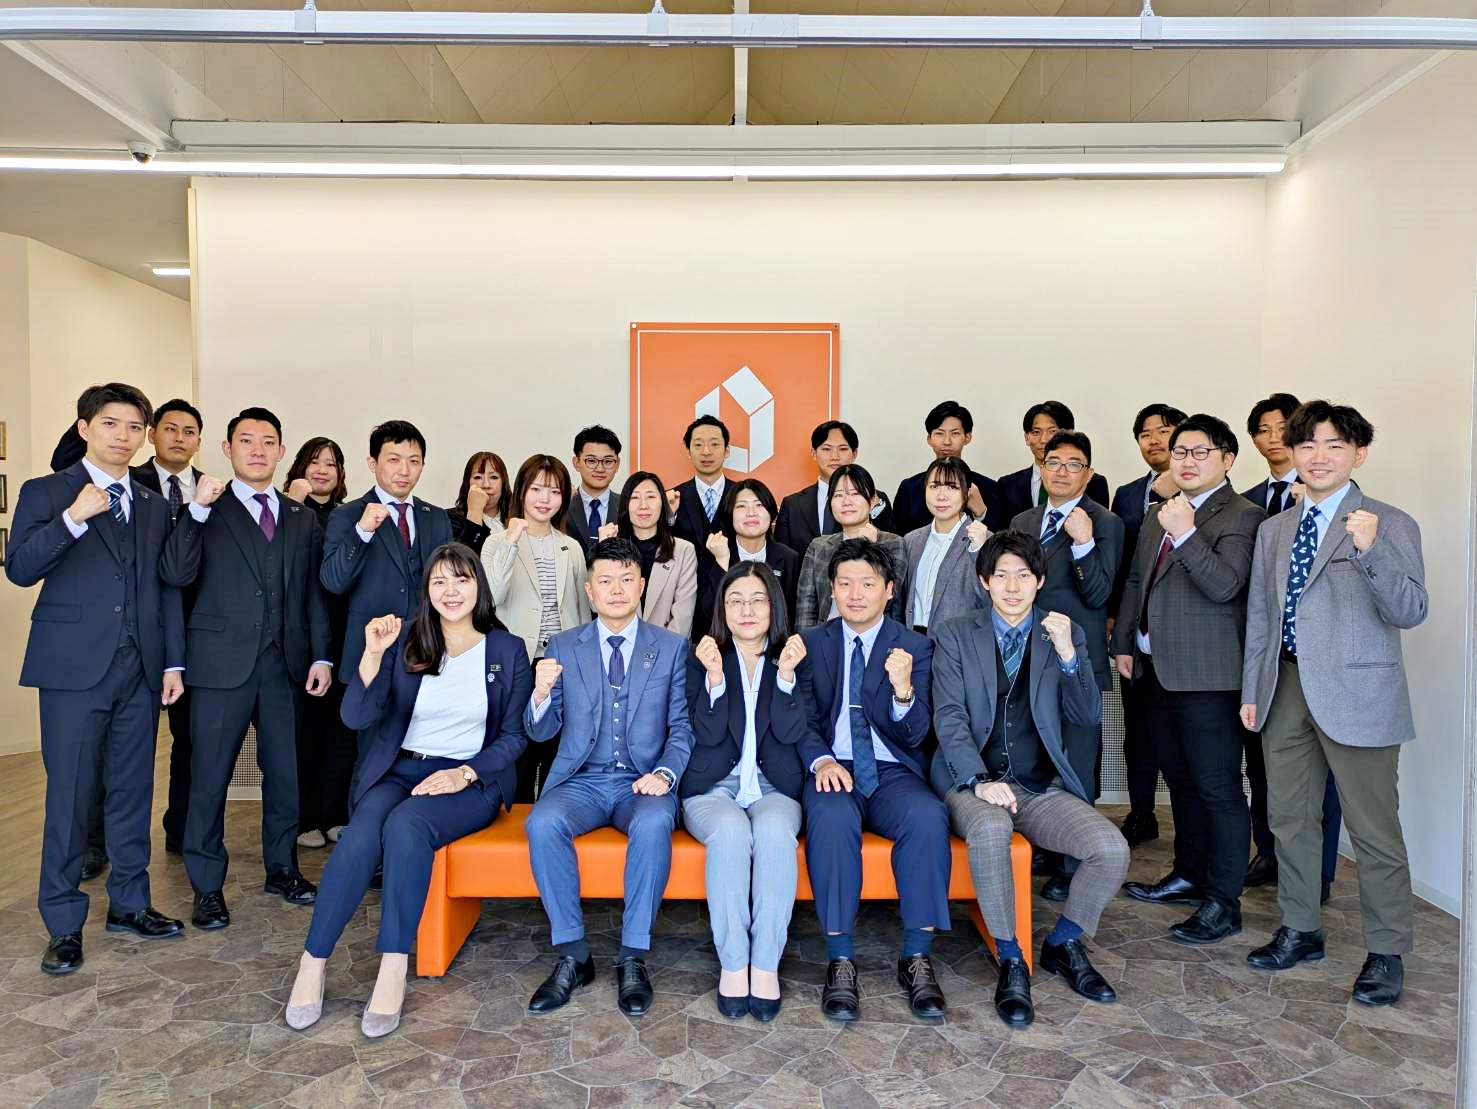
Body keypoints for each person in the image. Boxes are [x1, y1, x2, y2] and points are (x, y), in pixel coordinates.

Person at [284, 544, 531, 1036]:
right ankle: (313, 961)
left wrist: (465, 773)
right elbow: (356, 716)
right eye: (439, 582)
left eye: (461, 580)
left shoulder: (507, 650)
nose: (450, 591)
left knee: (405, 828)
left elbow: (515, 736)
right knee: (359, 836)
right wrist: (373, 654)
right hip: (401, 771)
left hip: (469, 781)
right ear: (427, 591)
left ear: (478, 586)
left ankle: (393, 965)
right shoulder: (408, 642)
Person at [1241, 402, 1426, 1007]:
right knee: (1289, 819)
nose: (1318, 456)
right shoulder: (1274, 530)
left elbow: (1410, 610)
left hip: (1360, 695)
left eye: (1334, 445)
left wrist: (1371, 551)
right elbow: (1263, 617)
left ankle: (1387, 950)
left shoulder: (1388, 523)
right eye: (1307, 445)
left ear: (1358, 454)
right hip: (1285, 687)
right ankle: (1300, 929)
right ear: (1291, 452)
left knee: (1373, 830)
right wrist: (1253, 690)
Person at [7, 383, 186, 975]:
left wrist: (172, 663)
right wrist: (73, 519)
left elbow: (164, 587)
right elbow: (19, 567)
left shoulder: (152, 503)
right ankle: (63, 923)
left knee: (134, 791)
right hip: (72, 669)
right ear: (85, 428)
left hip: (140, 669)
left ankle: (130, 904)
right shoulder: (46, 492)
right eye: (111, 424)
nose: (123, 437)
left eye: (135, 427)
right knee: (71, 796)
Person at [932, 530, 1129, 1028]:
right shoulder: (956, 632)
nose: (1013, 586)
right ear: (984, 581)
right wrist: (978, 780)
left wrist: (1068, 655)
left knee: (1110, 849)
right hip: (970, 781)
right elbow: (950, 717)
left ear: (1039, 581)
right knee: (991, 826)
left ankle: (1064, 942)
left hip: (1036, 784)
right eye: (1001, 575)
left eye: (1023, 575)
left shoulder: (1061, 631)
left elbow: (1085, 716)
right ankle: (1010, 956)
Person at [162, 406, 333, 930]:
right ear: (227, 449)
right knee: (209, 777)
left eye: (267, 442)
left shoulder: (301, 517)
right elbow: (175, 574)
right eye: (246, 440)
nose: (257, 450)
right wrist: (194, 512)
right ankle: (206, 886)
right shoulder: (204, 508)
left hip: (285, 665)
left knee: (285, 775)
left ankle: (282, 869)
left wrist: (321, 654)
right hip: (218, 666)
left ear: (281, 451)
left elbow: (313, 592)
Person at [522, 538, 694, 1017]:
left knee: (654, 822)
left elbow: (682, 727)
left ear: (641, 586)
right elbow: (541, 731)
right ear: (589, 590)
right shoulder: (563, 645)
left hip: (642, 781)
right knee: (541, 822)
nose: (616, 590)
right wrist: (540, 694)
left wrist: (665, 773)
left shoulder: (671, 647)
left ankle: (633, 955)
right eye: (605, 581)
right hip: (581, 780)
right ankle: (573, 955)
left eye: (626, 579)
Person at [1115, 414, 1264, 946]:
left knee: (1218, 788)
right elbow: (1137, 580)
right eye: (1180, 451)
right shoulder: (1159, 513)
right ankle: (1188, 873)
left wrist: (1186, 533)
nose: (1187, 460)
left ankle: (1224, 902)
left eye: (1201, 452)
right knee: (1178, 780)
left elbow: (1225, 586)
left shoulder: (1244, 515)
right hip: (1154, 669)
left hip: (1209, 677)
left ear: (1228, 459)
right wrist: (1124, 642)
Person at [794, 538, 949, 1022]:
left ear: (889, 590)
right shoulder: (812, 643)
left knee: (928, 817)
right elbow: (801, 719)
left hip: (891, 769)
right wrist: (822, 761)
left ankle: (917, 954)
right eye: (845, 584)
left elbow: (918, 732)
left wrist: (903, 690)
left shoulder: (915, 646)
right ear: (832, 590)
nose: (855, 594)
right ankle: (840, 958)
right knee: (831, 820)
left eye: (867, 583)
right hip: (833, 764)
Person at [77, 398, 205, 875]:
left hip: (189, 637)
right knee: (101, 754)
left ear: (199, 441)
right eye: (169, 429)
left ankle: (176, 832)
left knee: (181, 744)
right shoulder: (122, 482)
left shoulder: (211, 492)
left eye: (188, 431)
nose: (179, 438)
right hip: (118, 638)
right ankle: (94, 843)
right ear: (153, 435)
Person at [685, 562, 811, 1021]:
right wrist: (715, 680)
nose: (747, 610)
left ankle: (766, 963)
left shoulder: (793, 657)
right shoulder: (701, 656)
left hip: (775, 787)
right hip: (711, 788)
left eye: (758, 600)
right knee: (731, 833)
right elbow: (705, 733)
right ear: (722, 608)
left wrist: (786, 678)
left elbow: (794, 732)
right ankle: (734, 963)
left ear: (774, 605)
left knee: (775, 834)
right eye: (735, 600)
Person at [1009, 432, 1124, 899]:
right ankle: (1043, 844)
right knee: (1033, 755)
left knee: (1078, 760)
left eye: (1073, 464)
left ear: (1088, 474)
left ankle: (1076, 863)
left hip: (1076, 656)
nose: (1060, 471)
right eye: (1053, 462)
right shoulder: (1023, 520)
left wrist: (1083, 544)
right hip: (1027, 657)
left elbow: (1098, 594)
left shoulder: (1105, 522)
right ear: (1041, 468)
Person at [1239, 393, 1344, 893]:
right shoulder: (1249, 501)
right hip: (1269, 659)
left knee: (1324, 778)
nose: (1274, 437)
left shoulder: (1338, 503)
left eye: (1284, 428)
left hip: (1325, 666)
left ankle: (1318, 874)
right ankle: (1271, 853)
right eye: (1262, 429)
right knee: (1267, 770)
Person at [481, 455, 591, 800]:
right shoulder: (497, 542)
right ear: (522, 491)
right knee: (520, 751)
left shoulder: (571, 547)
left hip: (561, 663)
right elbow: (491, 597)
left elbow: (582, 610)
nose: (545, 499)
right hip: (518, 662)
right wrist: (511, 541)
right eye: (537, 489)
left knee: (558, 749)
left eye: (555, 491)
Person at [320, 420, 453, 687]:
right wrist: (361, 532)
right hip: (367, 656)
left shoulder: (436, 517)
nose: (404, 470)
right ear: (373, 463)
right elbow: (333, 581)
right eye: (394, 460)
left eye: (414, 461)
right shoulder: (347, 515)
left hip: (426, 653)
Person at [1109, 403, 1186, 847]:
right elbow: (1125, 565)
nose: (1155, 440)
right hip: (1135, 629)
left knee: (1177, 737)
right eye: (1145, 434)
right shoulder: (1126, 493)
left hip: (1182, 635)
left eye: (1164, 431)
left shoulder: (1199, 490)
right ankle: (1141, 814)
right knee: (1136, 730)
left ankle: (1187, 828)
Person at [283, 437, 356, 851]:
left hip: (344, 637)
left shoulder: (349, 516)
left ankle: (335, 815)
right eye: (314, 462)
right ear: (299, 467)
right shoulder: (285, 509)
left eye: (331, 463)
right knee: (304, 736)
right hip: (301, 639)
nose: (322, 470)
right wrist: (293, 504)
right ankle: (305, 818)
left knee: (341, 732)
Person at [795, 464, 909, 630]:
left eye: (855, 494)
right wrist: (806, 641)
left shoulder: (893, 543)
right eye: (838, 495)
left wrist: (870, 547)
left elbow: (891, 600)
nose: (846, 502)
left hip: (876, 637)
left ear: (872, 500)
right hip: (826, 637)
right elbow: (806, 607)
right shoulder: (818, 546)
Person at [774, 421, 895, 553]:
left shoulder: (876, 499)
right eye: (826, 449)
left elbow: (892, 546)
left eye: (842, 449)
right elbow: (783, 556)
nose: (834, 457)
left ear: (854, 453)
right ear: (814, 453)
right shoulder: (792, 505)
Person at [902, 457, 990, 637]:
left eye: (952, 487)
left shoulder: (985, 540)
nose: (941, 496)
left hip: (961, 643)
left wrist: (978, 552)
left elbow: (990, 599)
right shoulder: (912, 540)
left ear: (967, 493)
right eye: (934, 486)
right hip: (913, 641)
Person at [697, 478, 801, 628]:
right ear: (730, 514)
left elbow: (792, 615)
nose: (751, 513)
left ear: (771, 513)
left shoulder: (789, 558)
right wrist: (722, 561)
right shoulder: (713, 553)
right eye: (741, 506)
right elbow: (706, 615)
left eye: (759, 505)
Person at [892, 401, 1002, 534]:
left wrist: (980, 512)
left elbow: (1000, 539)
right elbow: (897, 538)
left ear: (967, 437)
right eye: (939, 433)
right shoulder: (910, 488)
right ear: (929, 439)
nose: (947, 441)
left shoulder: (988, 488)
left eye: (955, 433)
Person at [612, 471, 698, 639]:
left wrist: (659, 651)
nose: (643, 505)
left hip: (667, 648)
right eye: (635, 497)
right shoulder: (611, 548)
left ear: (662, 503)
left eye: (651, 497)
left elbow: (683, 617)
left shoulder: (683, 550)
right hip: (619, 646)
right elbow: (595, 605)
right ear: (625, 505)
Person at [994, 401, 1110, 521]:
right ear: (1026, 437)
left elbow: (1101, 524)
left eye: (1053, 431)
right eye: (1036, 432)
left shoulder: (1094, 483)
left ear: (1069, 434)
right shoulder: (1007, 485)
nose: (1044, 440)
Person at [667, 415, 733, 551]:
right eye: (698, 445)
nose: (706, 452)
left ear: (726, 451)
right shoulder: (673, 498)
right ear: (688, 452)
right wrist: (669, 516)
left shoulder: (741, 494)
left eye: (714, 444)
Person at [565, 426, 622, 554]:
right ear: (576, 462)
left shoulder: (628, 506)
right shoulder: (562, 505)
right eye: (591, 461)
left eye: (608, 461)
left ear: (617, 464)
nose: (600, 469)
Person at [447, 451, 510, 555]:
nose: (486, 485)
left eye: (494, 477)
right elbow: (461, 559)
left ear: (503, 483)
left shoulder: (517, 516)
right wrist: (475, 511)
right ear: (467, 483)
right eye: (478, 477)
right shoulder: (449, 518)